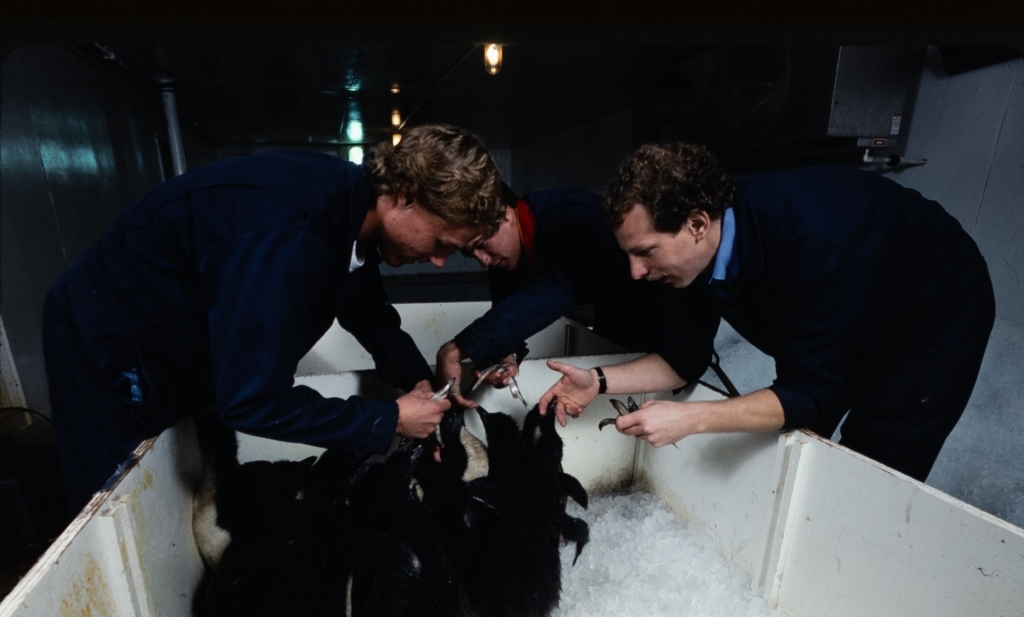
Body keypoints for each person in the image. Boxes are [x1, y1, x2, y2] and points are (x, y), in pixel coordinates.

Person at [44, 124, 506, 512]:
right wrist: (388, 420)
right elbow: (251, 400)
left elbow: (371, 315)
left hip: (172, 339)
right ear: (405, 196)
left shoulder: (350, 210)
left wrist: (416, 381)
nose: (441, 262)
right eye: (443, 243)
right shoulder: (287, 235)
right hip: (106, 339)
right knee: (113, 507)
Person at [539, 142, 996, 482]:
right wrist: (597, 381)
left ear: (697, 224)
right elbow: (684, 359)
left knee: (868, 469)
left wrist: (691, 419)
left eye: (645, 253)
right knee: (802, 434)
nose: (635, 272)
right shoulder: (686, 260)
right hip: (848, 299)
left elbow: (807, 391)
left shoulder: (810, 246)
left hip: (933, 314)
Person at [434, 184, 712, 407]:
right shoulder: (504, 256)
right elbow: (507, 314)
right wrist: (506, 355)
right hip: (617, 326)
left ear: (505, 213)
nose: (482, 260)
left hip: (671, 324)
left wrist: (458, 348)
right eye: (472, 253)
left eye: (481, 245)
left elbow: (556, 289)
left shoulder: (572, 214)